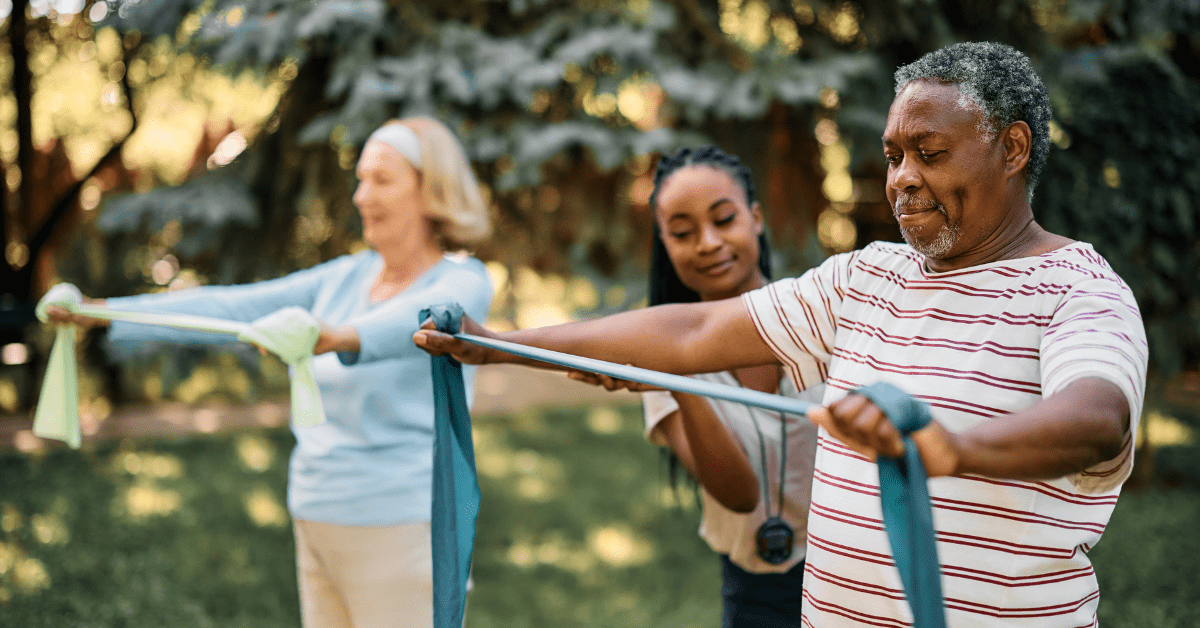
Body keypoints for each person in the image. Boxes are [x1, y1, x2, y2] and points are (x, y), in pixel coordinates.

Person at [415, 42, 1147, 627]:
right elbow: (697, 327)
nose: (901, 179)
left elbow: (1097, 416)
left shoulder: (1079, 290)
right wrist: (497, 342)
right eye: (893, 156)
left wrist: (950, 446)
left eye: (930, 152)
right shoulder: (869, 277)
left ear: (1013, 148)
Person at [48, 117, 495, 628]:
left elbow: (431, 318)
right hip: (316, 516)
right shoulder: (346, 277)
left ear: (429, 191)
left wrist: (338, 337)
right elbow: (235, 308)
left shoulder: (462, 279)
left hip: (405, 527)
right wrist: (104, 311)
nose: (360, 195)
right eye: (361, 178)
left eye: (382, 180)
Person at [571, 146, 821, 627]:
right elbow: (739, 495)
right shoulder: (660, 368)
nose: (707, 243)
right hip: (756, 595)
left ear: (756, 218)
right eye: (683, 233)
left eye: (723, 220)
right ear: (664, 242)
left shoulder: (817, 317)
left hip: (858, 571)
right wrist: (676, 377)